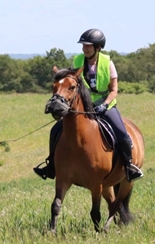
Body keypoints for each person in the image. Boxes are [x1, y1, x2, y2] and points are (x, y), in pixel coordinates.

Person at [33, 28, 143, 182]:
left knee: (123, 134)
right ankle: (51, 167)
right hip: (84, 105)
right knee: (55, 130)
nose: (84, 48)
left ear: (98, 47)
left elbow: (114, 90)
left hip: (105, 105)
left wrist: (104, 105)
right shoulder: (78, 60)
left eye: (88, 46)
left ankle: (129, 166)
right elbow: (71, 81)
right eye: (83, 46)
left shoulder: (107, 63)